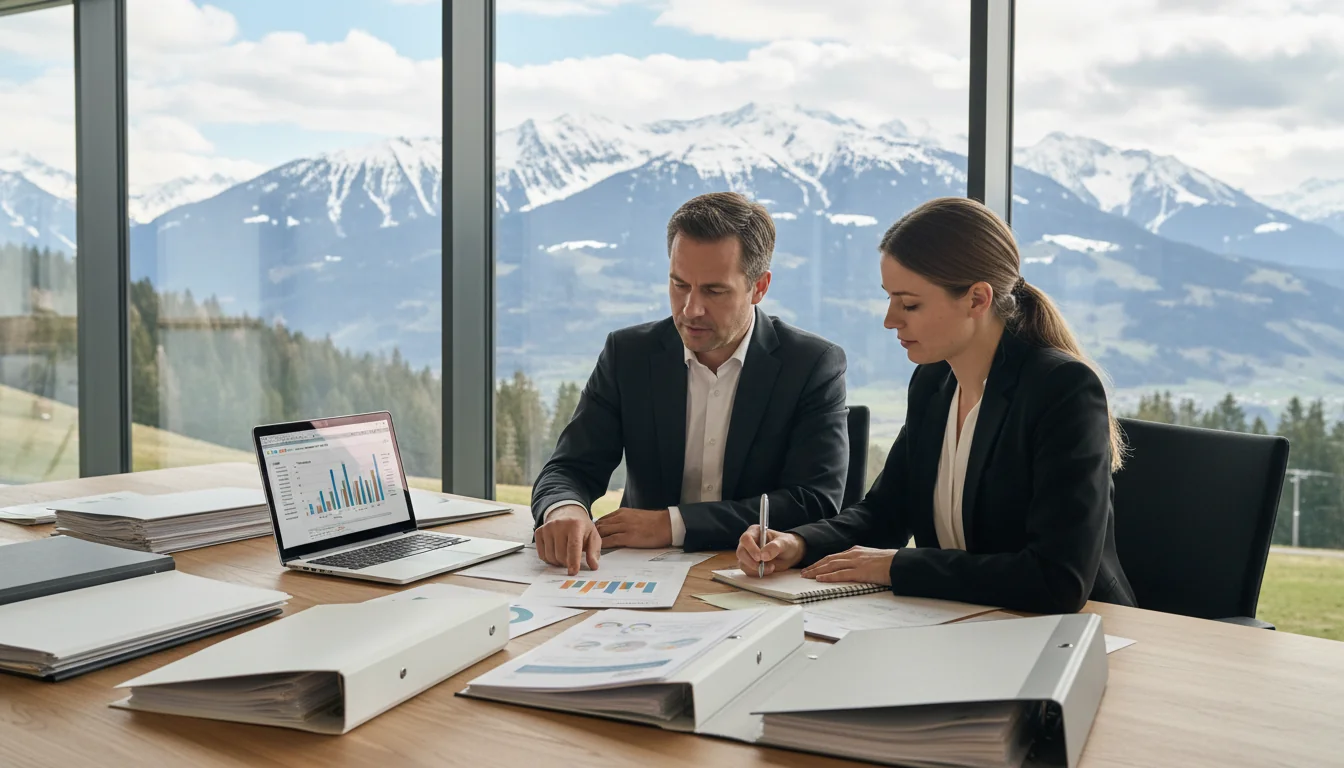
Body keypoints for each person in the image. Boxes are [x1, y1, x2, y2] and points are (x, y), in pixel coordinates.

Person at [736, 197, 1136, 614]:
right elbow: (885, 513)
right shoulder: (933, 382)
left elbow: (1057, 580)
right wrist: (798, 542)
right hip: (964, 621)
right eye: (890, 299)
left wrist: (897, 566)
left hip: (1076, 634)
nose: (891, 320)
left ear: (977, 299)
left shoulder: (1062, 390)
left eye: (909, 304)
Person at [533, 191, 850, 575]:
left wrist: (672, 524)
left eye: (714, 291)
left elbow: (813, 501)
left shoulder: (812, 365)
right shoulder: (628, 354)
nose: (690, 309)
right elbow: (569, 467)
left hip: (753, 577)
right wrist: (565, 508)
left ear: (759, 286)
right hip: (638, 574)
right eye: (679, 285)